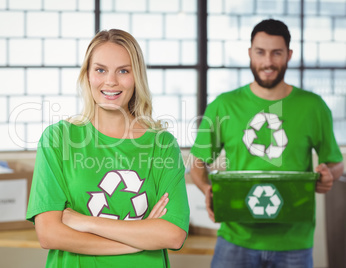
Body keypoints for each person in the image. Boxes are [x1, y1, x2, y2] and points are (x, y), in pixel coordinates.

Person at [26, 29, 190, 268]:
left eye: (123, 71)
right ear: (87, 75)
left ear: (137, 77)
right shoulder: (58, 139)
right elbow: (50, 234)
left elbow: (173, 234)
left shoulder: (162, 145)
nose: (111, 81)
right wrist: (137, 241)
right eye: (100, 70)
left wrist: (86, 222)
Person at [190, 19, 344, 268]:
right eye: (260, 52)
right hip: (235, 238)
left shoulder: (313, 107)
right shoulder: (224, 106)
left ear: (289, 55)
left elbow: (336, 163)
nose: (268, 62)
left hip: (294, 242)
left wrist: (329, 175)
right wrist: (207, 189)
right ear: (250, 53)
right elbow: (197, 163)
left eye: (277, 53)